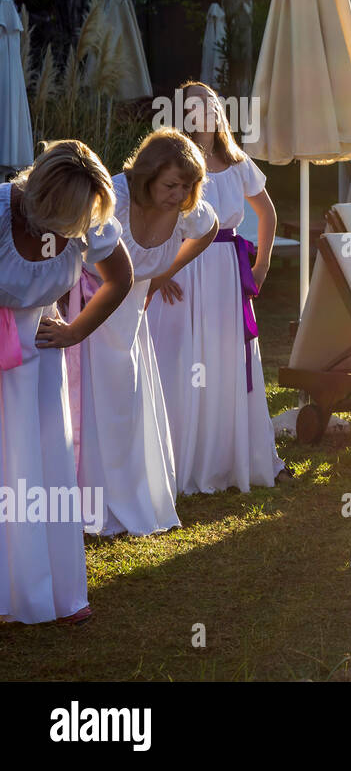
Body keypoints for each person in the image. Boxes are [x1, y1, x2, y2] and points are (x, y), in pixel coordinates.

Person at [0, 141, 133, 624]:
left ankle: (48, 589)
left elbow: (120, 278)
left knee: (40, 469)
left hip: (40, 356)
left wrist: (76, 330)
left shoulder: (87, 220)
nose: (73, 231)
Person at [75, 130, 218, 537]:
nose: (179, 195)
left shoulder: (188, 210)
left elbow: (208, 227)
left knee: (126, 400)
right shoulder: (112, 199)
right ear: (148, 175)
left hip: (130, 315)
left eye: (188, 186)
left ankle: (130, 496)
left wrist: (164, 274)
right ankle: (87, 502)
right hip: (87, 310)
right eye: (171, 185)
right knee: (90, 403)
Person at [148, 81, 288, 494]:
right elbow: (155, 215)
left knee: (226, 358)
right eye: (193, 106)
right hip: (184, 268)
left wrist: (260, 264)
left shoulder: (239, 162)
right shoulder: (177, 159)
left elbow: (267, 213)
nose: (203, 110)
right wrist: (163, 269)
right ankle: (180, 460)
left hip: (226, 269)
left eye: (208, 102)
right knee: (184, 358)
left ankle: (230, 456)